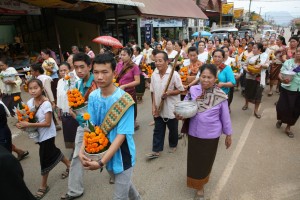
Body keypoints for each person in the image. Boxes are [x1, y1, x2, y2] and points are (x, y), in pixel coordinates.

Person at [78, 53, 141, 200]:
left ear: (114, 73)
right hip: (103, 152)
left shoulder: (124, 100)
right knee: (125, 185)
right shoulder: (93, 96)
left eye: (105, 72)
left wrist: (101, 162)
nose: (99, 77)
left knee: (120, 196)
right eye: (96, 72)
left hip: (122, 155)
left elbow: (121, 136)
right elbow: (90, 127)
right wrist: (82, 151)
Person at [175, 64, 232, 200]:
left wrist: (228, 135)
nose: (206, 80)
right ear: (199, 77)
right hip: (194, 132)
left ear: (215, 78)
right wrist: (180, 114)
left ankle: (200, 187)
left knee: (205, 161)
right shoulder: (193, 90)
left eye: (209, 77)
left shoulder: (220, 95)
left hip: (211, 135)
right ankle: (196, 181)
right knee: (194, 160)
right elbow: (186, 106)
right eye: (203, 76)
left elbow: (225, 117)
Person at [16, 78, 70, 200]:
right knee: (53, 151)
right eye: (30, 88)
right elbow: (28, 118)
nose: (33, 91)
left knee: (44, 159)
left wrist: (28, 125)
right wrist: (22, 124)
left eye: (36, 88)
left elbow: (47, 123)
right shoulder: (29, 102)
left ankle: (43, 185)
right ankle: (69, 165)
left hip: (48, 135)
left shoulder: (46, 104)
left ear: (41, 88)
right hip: (39, 135)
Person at [61, 52, 97, 200]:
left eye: (82, 67)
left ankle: (116, 173)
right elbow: (74, 106)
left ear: (89, 66)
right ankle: (75, 190)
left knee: (106, 151)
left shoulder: (97, 83)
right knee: (77, 155)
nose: (79, 71)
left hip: (100, 125)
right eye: (76, 68)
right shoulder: (76, 84)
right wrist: (74, 112)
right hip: (83, 125)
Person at [146, 51, 184, 159]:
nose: (157, 63)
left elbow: (180, 90)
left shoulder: (174, 74)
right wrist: (153, 106)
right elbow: (152, 92)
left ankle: (173, 144)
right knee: (158, 129)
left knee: (173, 129)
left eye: (160, 61)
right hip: (159, 107)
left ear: (167, 61)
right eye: (156, 61)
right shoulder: (154, 75)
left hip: (171, 107)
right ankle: (156, 150)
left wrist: (169, 93)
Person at [276, 46, 300, 138]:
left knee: (295, 110)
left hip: (298, 90)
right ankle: (281, 119)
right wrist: (282, 80)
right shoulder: (288, 62)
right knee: (281, 107)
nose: (298, 53)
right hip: (287, 88)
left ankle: (288, 127)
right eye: (297, 51)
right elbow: (280, 73)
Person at [115, 47, 140, 130]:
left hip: (129, 92)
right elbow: (115, 75)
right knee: (120, 109)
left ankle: (132, 123)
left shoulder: (134, 67)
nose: (122, 56)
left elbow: (137, 81)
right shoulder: (119, 64)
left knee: (131, 109)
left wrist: (125, 86)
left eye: (124, 55)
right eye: (121, 55)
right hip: (119, 91)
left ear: (130, 55)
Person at [242, 43, 269, 118]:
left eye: (254, 48)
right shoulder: (249, 57)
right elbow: (244, 65)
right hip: (249, 77)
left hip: (259, 78)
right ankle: (246, 104)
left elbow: (267, 65)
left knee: (258, 94)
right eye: (253, 48)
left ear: (259, 50)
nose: (253, 49)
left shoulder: (264, 56)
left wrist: (261, 65)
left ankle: (256, 110)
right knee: (248, 92)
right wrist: (247, 70)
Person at [56, 62, 79, 152]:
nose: (62, 72)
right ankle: (74, 149)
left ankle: (79, 149)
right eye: (61, 71)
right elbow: (58, 96)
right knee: (69, 132)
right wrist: (59, 110)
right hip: (64, 111)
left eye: (65, 70)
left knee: (76, 131)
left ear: (70, 70)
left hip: (74, 111)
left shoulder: (74, 80)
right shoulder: (59, 82)